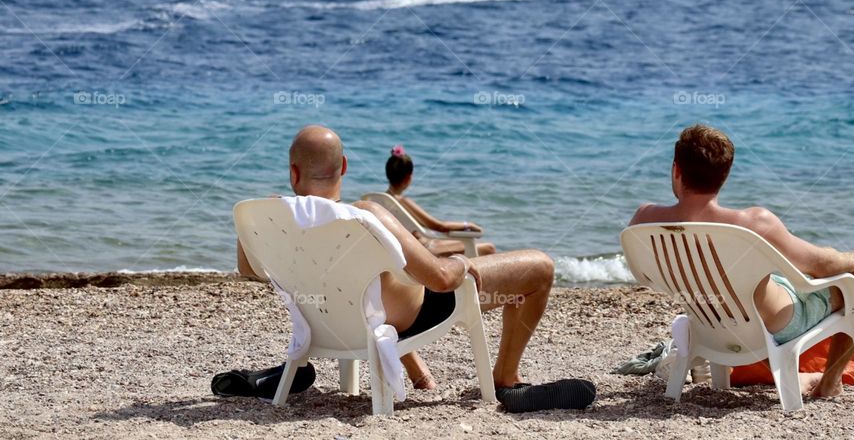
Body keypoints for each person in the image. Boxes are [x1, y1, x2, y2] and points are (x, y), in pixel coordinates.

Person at [237, 126, 591, 409]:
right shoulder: (366, 215)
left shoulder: (272, 222)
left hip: (329, 326)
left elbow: (248, 269)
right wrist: (462, 262)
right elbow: (440, 279)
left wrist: (258, 220)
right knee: (540, 267)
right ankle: (507, 381)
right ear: (344, 167)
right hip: (414, 315)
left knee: (383, 281)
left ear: (293, 172)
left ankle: (424, 376)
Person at [629, 124, 854, 399]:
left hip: (706, 324)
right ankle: (829, 384)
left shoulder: (645, 219)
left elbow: (643, 276)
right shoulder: (753, 223)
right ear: (725, 175)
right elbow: (821, 264)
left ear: (676, 170)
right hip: (774, 325)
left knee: (780, 273)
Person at [385, 145, 497, 256]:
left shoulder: (376, 200)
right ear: (408, 178)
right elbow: (440, 226)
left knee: (461, 243)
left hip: (404, 251)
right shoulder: (402, 202)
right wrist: (468, 225)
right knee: (489, 248)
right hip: (423, 252)